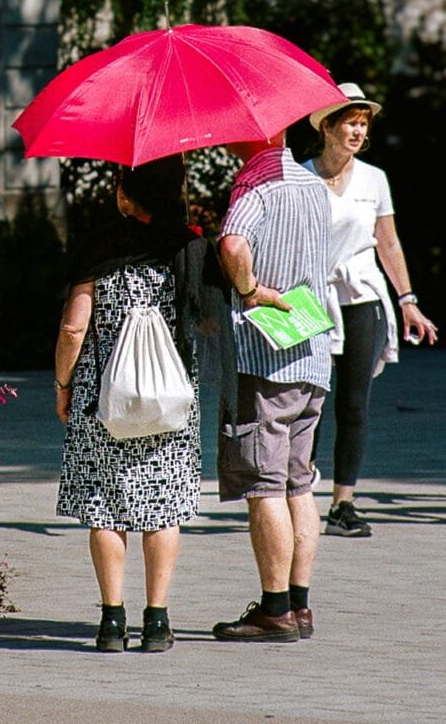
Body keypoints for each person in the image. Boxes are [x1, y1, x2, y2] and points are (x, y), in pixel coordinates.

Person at [54, 155, 229, 655]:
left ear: (127, 193)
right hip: (170, 398)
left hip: (101, 396)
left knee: (106, 510)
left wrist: (62, 385)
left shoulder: (100, 244)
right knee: (162, 508)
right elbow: (210, 325)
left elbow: (73, 328)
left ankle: (111, 623)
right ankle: (157, 622)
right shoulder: (190, 246)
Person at [303, 82, 438, 538]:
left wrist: (408, 302)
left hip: (362, 299)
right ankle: (298, 496)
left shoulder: (374, 179)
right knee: (310, 403)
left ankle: (343, 504)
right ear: (327, 126)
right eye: (350, 123)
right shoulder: (301, 177)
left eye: (364, 123)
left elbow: (388, 241)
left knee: (353, 404)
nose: (359, 131)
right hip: (313, 302)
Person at [212, 130, 331, 643]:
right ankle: (300, 605)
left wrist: (248, 289)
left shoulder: (254, 185)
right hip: (314, 351)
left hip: (266, 356)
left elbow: (233, 244)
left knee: (264, 483)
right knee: (299, 483)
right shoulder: (312, 183)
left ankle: (275, 610)